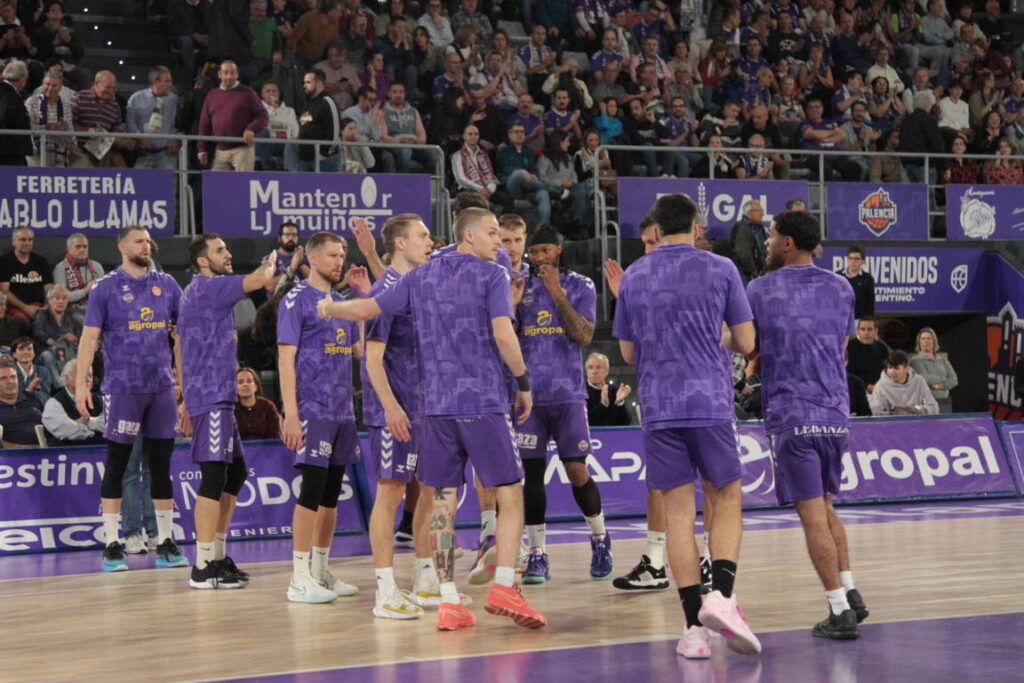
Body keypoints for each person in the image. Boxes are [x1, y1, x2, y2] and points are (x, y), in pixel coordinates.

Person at [318, 207, 547, 631]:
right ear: (469, 236)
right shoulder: (492, 275)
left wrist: (331, 308)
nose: (499, 241)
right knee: (511, 493)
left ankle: (446, 599)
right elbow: (503, 333)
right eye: (493, 233)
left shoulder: (419, 278)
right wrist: (523, 381)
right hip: (481, 401)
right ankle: (504, 587)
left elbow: (368, 308)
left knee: (440, 499)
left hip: (435, 408)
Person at [613, 193, 760, 658]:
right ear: (697, 225)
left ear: (655, 227)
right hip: (709, 403)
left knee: (678, 514)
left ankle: (694, 630)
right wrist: (711, 334)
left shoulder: (634, 275)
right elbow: (747, 341)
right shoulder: (720, 269)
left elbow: (628, 355)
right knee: (726, 496)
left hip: (658, 405)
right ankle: (724, 597)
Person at [747, 210, 870, 641]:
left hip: (792, 413)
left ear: (787, 243)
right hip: (836, 411)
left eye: (771, 236)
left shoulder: (760, 288)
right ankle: (851, 591)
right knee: (826, 505)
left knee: (812, 516)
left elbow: (747, 343)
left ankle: (838, 609)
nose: (766, 242)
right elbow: (840, 344)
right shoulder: (840, 287)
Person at [74, 226, 186, 573]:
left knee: (161, 465)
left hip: (160, 388)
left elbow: (182, 333)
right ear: (123, 247)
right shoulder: (106, 287)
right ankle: (112, 543)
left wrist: (182, 379)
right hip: (123, 388)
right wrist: (81, 384)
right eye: (139, 240)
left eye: (149, 240)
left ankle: (165, 540)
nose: (146, 245)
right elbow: (89, 337)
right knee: (119, 463)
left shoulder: (167, 284)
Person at [178, 234, 277, 589]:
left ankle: (216, 556)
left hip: (216, 395)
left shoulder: (200, 291)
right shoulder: (209, 287)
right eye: (220, 250)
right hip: (212, 396)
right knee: (215, 476)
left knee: (233, 474)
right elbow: (261, 279)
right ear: (203, 261)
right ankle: (202, 564)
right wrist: (277, 258)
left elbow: (180, 343)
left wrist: (184, 393)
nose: (228, 253)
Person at [515, 227, 611, 584]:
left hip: (568, 394)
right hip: (530, 397)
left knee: (575, 469)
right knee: (533, 475)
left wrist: (556, 290)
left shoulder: (581, 284)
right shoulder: (520, 286)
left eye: (545, 250)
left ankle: (600, 539)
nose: (538, 257)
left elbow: (584, 336)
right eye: (534, 251)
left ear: (559, 248)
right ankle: (538, 554)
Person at [277, 231, 366, 603]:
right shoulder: (297, 299)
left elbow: (360, 350)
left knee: (331, 496)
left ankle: (320, 570)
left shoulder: (341, 302)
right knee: (312, 492)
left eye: (342, 253)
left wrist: (364, 298)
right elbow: (285, 358)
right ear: (313, 259)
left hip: (343, 410)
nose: (339, 261)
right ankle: (298, 576)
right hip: (312, 408)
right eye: (332, 255)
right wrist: (291, 414)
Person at [360, 214, 436, 620]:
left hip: (421, 408)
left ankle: (425, 580)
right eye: (422, 235)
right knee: (389, 495)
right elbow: (372, 360)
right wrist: (390, 407)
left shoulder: (417, 287)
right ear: (401, 244)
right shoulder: (384, 291)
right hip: (393, 411)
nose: (430, 241)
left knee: (426, 490)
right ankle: (384, 590)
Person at [197, 60, 269, 171]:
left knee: (243, 186)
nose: (229, 76)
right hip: (219, 151)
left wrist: (251, 129)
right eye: (226, 73)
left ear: (237, 74)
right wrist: (202, 148)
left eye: (232, 73)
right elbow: (204, 124)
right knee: (216, 187)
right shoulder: (212, 95)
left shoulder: (248, 93)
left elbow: (263, 116)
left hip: (243, 149)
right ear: (219, 74)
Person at [126, 66, 181, 171]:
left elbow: (181, 123)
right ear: (156, 82)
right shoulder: (136, 98)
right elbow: (130, 122)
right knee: (139, 186)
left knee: (167, 187)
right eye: (167, 81)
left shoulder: (175, 100)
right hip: (143, 154)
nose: (171, 85)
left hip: (167, 154)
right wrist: (140, 137)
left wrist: (178, 139)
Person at [496, 123, 552, 224]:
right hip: (510, 186)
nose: (520, 134)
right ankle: (553, 189)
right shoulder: (503, 151)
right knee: (518, 175)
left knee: (543, 194)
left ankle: (544, 227)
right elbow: (505, 169)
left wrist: (534, 175)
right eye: (516, 132)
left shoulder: (527, 152)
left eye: (522, 132)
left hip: (527, 188)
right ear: (510, 135)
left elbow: (534, 170)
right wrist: (522, 172)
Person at [452, 124, 513, 214]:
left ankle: (502, 225)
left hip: (485, 188)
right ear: (464, 136)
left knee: (508, 200)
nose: (473, 136)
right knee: (481, 204)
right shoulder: (458, 155)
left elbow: (490, 174)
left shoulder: (483, 154)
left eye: (476, 134)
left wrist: (489, 189)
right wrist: (480, 189)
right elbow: (461, 179)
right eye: (470, 134)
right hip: (468, 189)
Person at [287, 69, 341, 172]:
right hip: (307, 158)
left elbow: (335, 129)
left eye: (308, 82)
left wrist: (325, 152)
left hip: (323, 159)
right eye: (304, 82)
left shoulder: (327, 101)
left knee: (328, 187)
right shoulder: (310, 103)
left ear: (319, 84)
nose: (304, 86)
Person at [42, 358, 104, 446]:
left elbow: (112, 425)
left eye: (90, 375)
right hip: (67, 455)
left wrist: (86, 421)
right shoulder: (53, 403)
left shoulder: (101, 400)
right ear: (66, 378)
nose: (88, 379)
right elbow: (67, 431)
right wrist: (96, 429)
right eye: (82, 375)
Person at [0, 226, 52, 321]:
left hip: (40, 306)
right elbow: (4, 291)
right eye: (22, 240)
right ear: (13, 241)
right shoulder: (4, 262)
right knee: (22, 322)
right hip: (16, 308)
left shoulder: (41, 261)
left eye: (30, 240)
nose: (27, 243)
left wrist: (47, 306)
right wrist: (26, 308)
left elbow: (48, 287)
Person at [26, 68, 73, 166]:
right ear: (42, 85)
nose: (50, 88)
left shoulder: (65, 105)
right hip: (36, 153)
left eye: (54, 85)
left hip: (59, 153)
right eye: (47, 84)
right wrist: (47, 127)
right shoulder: (31, 102)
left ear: (60, 88)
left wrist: (63, 131)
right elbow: (28, 127)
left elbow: (70, 131)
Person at [32, 284, 79, 382]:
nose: (61, 301)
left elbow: (80, 335)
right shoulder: (42, 315)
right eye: (57, 298)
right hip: (48, 350)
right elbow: (36, 330)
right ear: (49, 300)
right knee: (47, 356)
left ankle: (73, 382)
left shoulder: (71, 317)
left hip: (68, 351)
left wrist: (74, 338)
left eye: (64, 298)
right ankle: (59, 384)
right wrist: (49, 339)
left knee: (75, 354)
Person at [870, 350, 940, 415]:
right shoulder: (881, 386)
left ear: (906, 368)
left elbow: (934, 408)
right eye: (890, 367)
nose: (892, 372)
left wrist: (920, 410)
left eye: (896, 368)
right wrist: (891, 414)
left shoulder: (919, 381)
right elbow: (875, 412)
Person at [52, 233, 103, 322]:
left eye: (85, 246)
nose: (82, 250)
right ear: (69, 249)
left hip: (96, 307)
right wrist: (85, 290)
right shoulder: (61, 268)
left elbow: (105, 293)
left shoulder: (96, 266)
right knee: (86, 322)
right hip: (72, 310)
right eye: (78, 247)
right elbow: (63, 298)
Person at [910, 327, 958, 413]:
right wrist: (944, 379)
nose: (926, 341)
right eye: (923, 339)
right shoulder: (916, 360)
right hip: (925, 404)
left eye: (929, 338)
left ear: (934, 341)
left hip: (944, 402)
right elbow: (924, 378)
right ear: (919, 342)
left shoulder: (943, 360)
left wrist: (940, 386)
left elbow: (954, 380)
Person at [0, 361, 43, 447]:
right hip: (11, 456)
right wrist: (20, 448)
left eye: (13, 377)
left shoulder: (34, 397)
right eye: (3, 378)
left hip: (47, 451)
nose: (10, 381)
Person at [585, 352, 631, 427]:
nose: (594, 371)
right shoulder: (580, 392)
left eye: (598, 367)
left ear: (607, 371)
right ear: (586, 372)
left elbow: (625, 423)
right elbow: (585, 423)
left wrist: (620, 403)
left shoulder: (615, 391)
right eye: (590, 367)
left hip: (613, 437)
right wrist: (603, 405)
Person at [234, 366, 281, 440]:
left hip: (265, 450)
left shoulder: (268, 407)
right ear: (235, 388)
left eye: (249, 381)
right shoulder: (231, 409)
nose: (245, 384)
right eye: (240, 382)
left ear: (256, 386)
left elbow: (274, 438)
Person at [0, 60, 31, 166]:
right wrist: (25, 117)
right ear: (22, 78)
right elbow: (6, 116)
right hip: (10, 150)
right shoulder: (8, 93)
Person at [847, 316, 889, 392]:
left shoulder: (882, 348)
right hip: (856, 389)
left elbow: (886, 370)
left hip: (880, 388)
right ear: (857, 331)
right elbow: (848, 374)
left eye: (869, 329)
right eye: (863, 329)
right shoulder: (849, 347)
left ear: (876, 331)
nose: (866, 332)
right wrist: (867, 386)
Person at [729, 200, 767, 285]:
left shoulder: (759, 228)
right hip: (747, 276)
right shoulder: (741, 228)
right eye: (760, 211)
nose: (763, 214)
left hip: (759, 275)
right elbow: (743, 253)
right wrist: (754, 272)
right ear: (750, 212)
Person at [265, 221, 309, 293]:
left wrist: (301, 264)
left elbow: (317, 283)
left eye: (294, 235)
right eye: (287, 235)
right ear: (280, 238)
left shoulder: (305, 257)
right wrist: (291, 268)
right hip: (279, 301)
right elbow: (269, 287)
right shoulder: (270, 258)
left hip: (304, 301)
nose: (291, 238)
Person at [12, 335, 55, 401]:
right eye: (21, 349)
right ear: (14, 354)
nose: (25, 352)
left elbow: (46, 397)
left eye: (29, 349)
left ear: (34, 353)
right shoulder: (7, 372)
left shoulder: (43, 371)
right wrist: (29, 391)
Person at [837, 246, 875, 319]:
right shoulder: (838, 276)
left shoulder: (868, 278)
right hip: (840, 320)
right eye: (850, 258)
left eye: (856, 259)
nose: (853, 261)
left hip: (859, 320)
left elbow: (870, 304)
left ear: (863, 261)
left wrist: (869, 321)